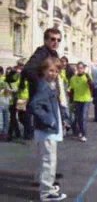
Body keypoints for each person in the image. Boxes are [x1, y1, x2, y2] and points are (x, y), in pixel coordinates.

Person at [28, 57, 67, 202]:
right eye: (50, 70)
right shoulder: (44, 86)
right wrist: (49, 119)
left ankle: (45, 184)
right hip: (47, 130)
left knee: (44, 158)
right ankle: (46, 192)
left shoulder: (49, 85)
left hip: (47, 128)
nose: (53, 73)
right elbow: (34, 105)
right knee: (49, 160)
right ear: (44, 70)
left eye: (56, 71)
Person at [22, 28, 61, 100]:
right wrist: (44, 84)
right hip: (41, 99)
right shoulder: (41, 52)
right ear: (45, 40)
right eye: (53, 39)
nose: (56, 42)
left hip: (52, 97)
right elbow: (27, 70)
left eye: (58, 40)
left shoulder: (54, 53)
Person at [69, 62, 93, 142]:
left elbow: (92, 86)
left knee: (83, 117)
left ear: (83, 69)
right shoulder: (73, 78)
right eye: (78, 68)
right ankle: (80, 131)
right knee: (78, 117)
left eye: (81, 68)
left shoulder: (86, 77)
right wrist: (71, 99)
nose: (80, 69)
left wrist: (89, 80)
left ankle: (84, 134)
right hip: (77, 99)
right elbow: (71, 89)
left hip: (86, 99)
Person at [0, 66, 10, 139]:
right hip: (6, 100)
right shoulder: (6, 79)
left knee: (1, 119)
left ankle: (1, 134)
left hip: (1, 100)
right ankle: (5, 134)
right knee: (6, 118)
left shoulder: (2, 80)